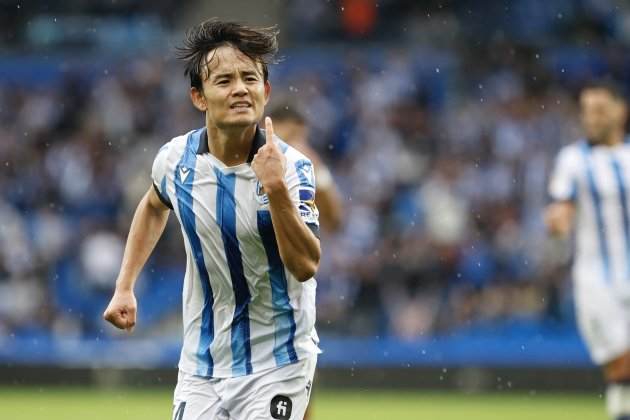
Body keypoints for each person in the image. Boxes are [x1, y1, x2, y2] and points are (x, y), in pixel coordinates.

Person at [103, 19, 321, 420]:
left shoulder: (291, 168)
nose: (240, 88)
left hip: (279, 362)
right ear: (198, 97)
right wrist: (125, 287)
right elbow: (153, 205)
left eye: (249, 78)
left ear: (265, 91)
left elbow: (306, 265)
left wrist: (275, 190)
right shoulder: (176, 160)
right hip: (201, 365)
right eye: (224, 81)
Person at [545, 80, 630, 420]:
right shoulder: (572, 160)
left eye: (599, 110)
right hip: (596, 278)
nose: (591, 118)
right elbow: (562, 205)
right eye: (586, 111)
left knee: (622, 367)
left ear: (620, 111)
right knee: (618, 361)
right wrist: (558, 221)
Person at [269, 102, 343, 233]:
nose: (298, 145)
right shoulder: (248, 157)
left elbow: (334, 220)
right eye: (292, 136)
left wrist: (319, 173)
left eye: (301, 139)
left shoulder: (307, 166)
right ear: (271, 125)